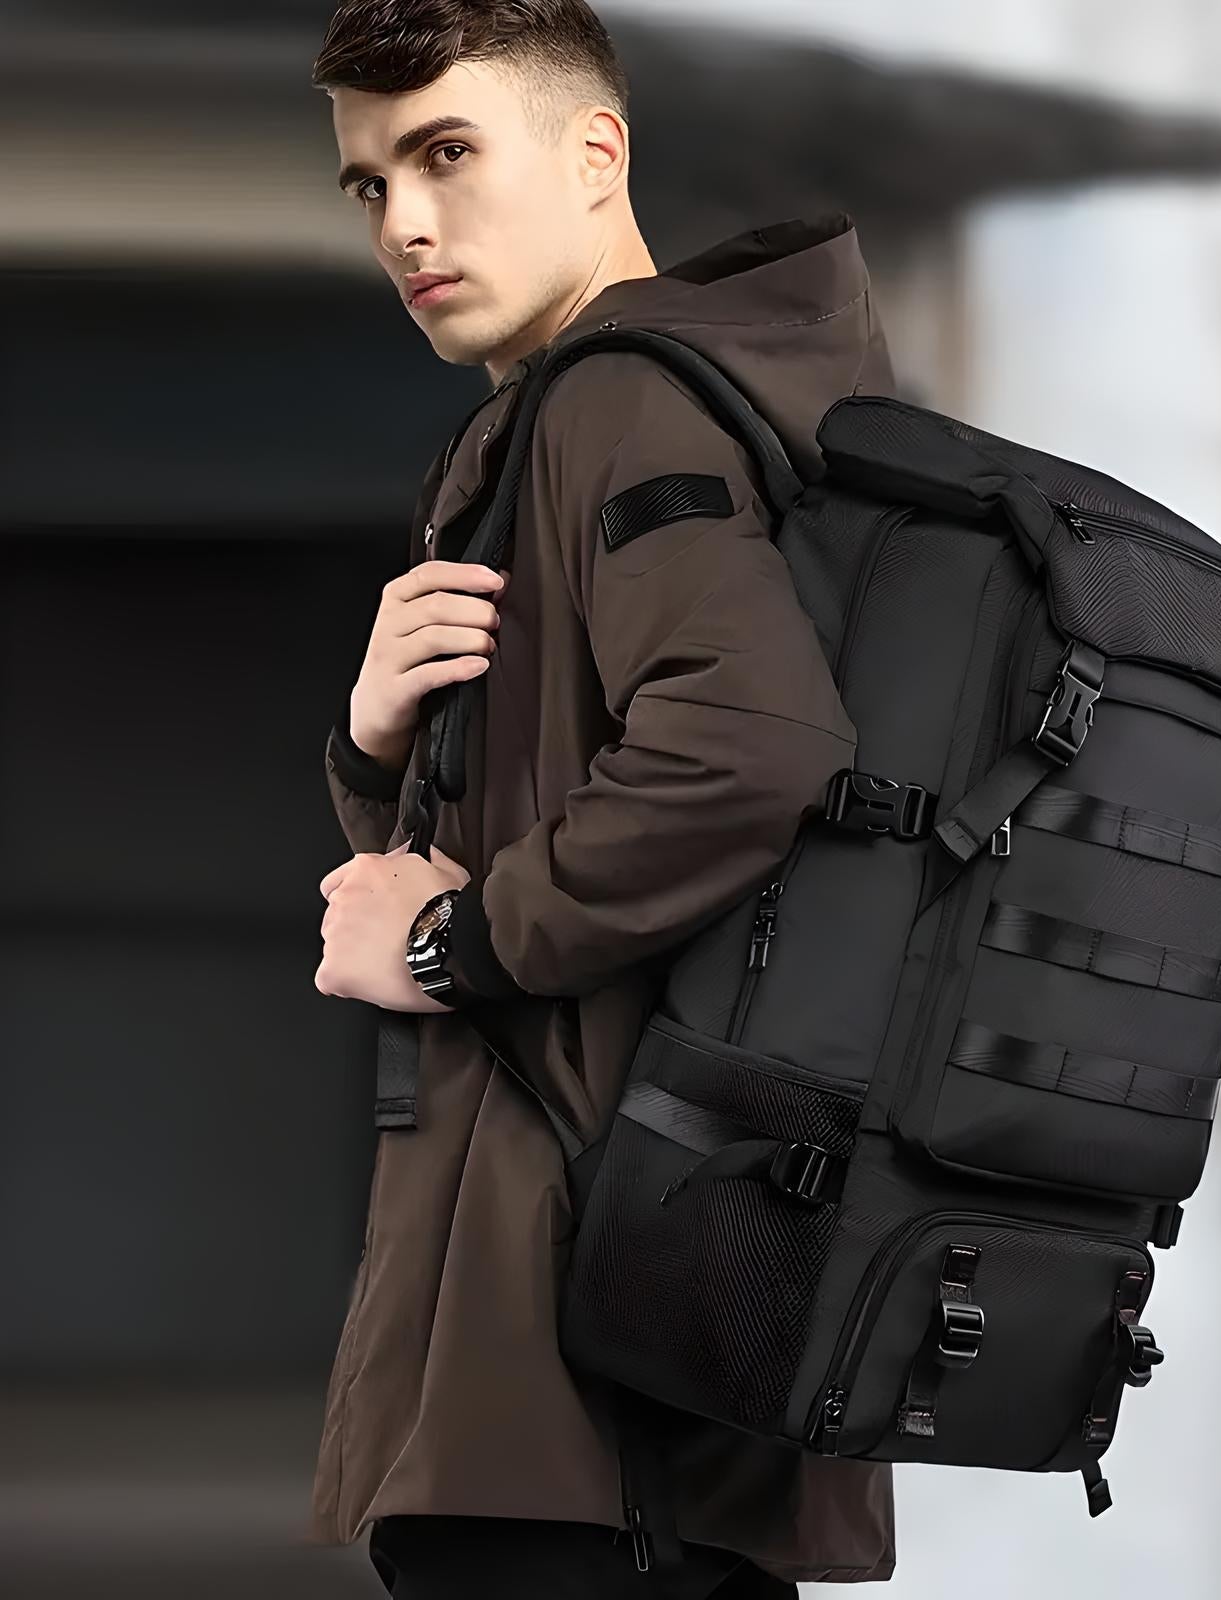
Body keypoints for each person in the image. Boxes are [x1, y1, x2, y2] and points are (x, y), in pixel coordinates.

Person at [307, 2, 898, 1594]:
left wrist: (450, 948)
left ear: (594, 155)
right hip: (668, 1308)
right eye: (368, 183)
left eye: (445, 153)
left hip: (582, 1353)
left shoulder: (621, 401)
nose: (406, 222)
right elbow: (490, 860)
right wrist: (379, 744)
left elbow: (752, 748)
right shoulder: (668, 408)